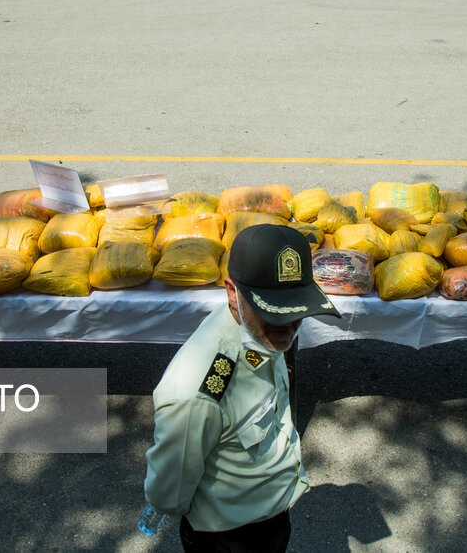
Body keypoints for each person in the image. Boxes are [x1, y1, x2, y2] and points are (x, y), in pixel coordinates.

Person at [144, 223, 342, 552]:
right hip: (230, 538)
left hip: (272, 518)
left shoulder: (260, 333)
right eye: (275, 313)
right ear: (232, 294)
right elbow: (169, 491)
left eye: (298, 311)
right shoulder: (199, 390)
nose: (290, 326)